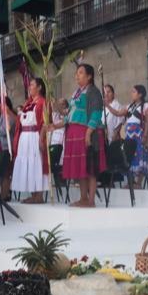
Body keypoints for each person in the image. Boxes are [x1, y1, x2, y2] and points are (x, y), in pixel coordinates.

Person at [63, 63, 105, 207]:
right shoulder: (77, 93)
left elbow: (96, 112)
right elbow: (70, 114)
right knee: (82, 168)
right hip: (75, 134)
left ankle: (91, 200)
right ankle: (83, 198)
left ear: (89, 76)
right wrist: (54, 125)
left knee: (90, 168)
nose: (77, 75)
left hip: (88, 134)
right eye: (77, 73)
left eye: (80, 73)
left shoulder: (93, 92)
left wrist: (88, 133)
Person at [14, 77, 50, 204]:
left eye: (32, 85)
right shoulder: (27, 103)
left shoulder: (42, 102)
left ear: (39, 87)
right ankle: (32, 193)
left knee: (36, 163)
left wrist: (41, 139)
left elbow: (45, 123)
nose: (30, 87)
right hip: (25, 137)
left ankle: (38, 195)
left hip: (34, 135)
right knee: (28, 164)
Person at [124, 84, 148, 188]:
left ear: (140, 94)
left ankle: (139, 183)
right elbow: (119, 113)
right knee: (130, 158)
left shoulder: (146, 106)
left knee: (141, 157)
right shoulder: (129, 107)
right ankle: (131, 182)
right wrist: (107, 105)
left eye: (134, 92)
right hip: (129, 137)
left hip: (140, 136)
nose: (131, 93)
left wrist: (145, 136)